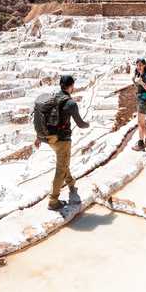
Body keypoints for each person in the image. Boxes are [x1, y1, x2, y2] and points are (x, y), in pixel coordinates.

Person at [34, 75, 90, 211]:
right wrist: (88, 124)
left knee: (63, 162)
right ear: (71, 86)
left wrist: (38, 137)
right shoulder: (70, 103)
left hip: (49, 139)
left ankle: (71, 183)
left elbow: (43, 119)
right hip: (62, 140)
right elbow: (80, 123)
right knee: (61, 168)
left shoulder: (53, 98)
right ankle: (53, 200)